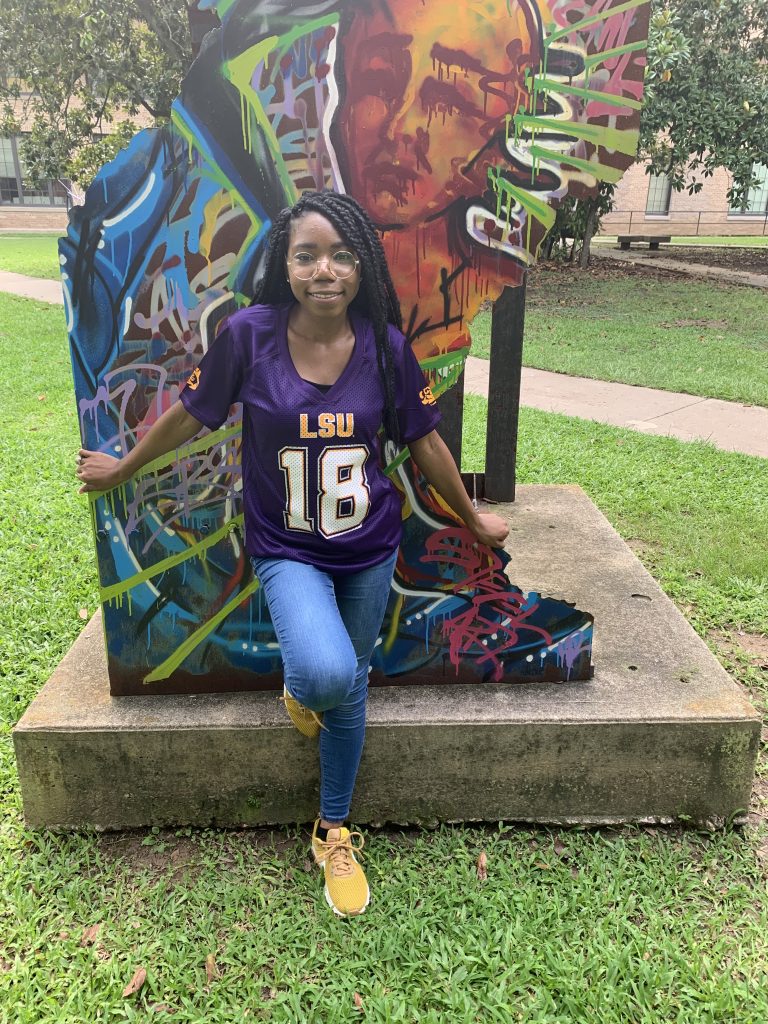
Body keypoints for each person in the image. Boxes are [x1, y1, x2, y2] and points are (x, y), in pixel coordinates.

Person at [76, 189, 509, 918]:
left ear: (363, 266)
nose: (325, 271)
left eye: (342, 255)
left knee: (352, 679)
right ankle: (302, 691)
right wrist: (123, 467)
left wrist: (470, 518)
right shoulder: (249, 335)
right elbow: (190, 413)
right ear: (285, 262)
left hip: (369, 547)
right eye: (307, 255)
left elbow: (425, 440)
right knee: (328, 672)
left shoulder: (383, 347)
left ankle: (332, 829)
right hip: (287, 549)